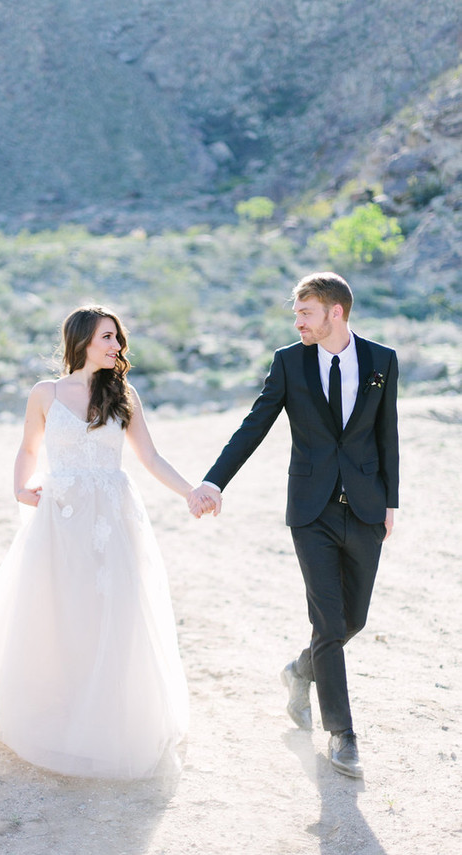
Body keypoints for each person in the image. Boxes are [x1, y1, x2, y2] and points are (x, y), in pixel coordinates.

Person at [0, 306, 191, 779]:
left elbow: (149, 456)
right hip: (61, 514)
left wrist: (191, 492)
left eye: (118, 338)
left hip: (112, 516)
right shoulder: (45, 393)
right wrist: (19, 487)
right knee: (57, 605)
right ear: (82, 340)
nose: (117, 346)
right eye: (107, 337)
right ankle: (57, 699)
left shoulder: (124, 394)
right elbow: (28, 448)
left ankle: (103, 705)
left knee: (111, 606)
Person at [189, 272, 399, 779]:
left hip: (366, 507)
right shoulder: (289, 362)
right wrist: (214, 481)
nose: (298, 321)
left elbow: (387, 432)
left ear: (335, 312)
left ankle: (300, 670)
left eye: (306, 312)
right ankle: (343, 735)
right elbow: (255, 425)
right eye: (296, 313)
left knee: (352, 622)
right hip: (311, 510)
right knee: (328, 622)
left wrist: (391, 501)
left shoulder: (381, 360)